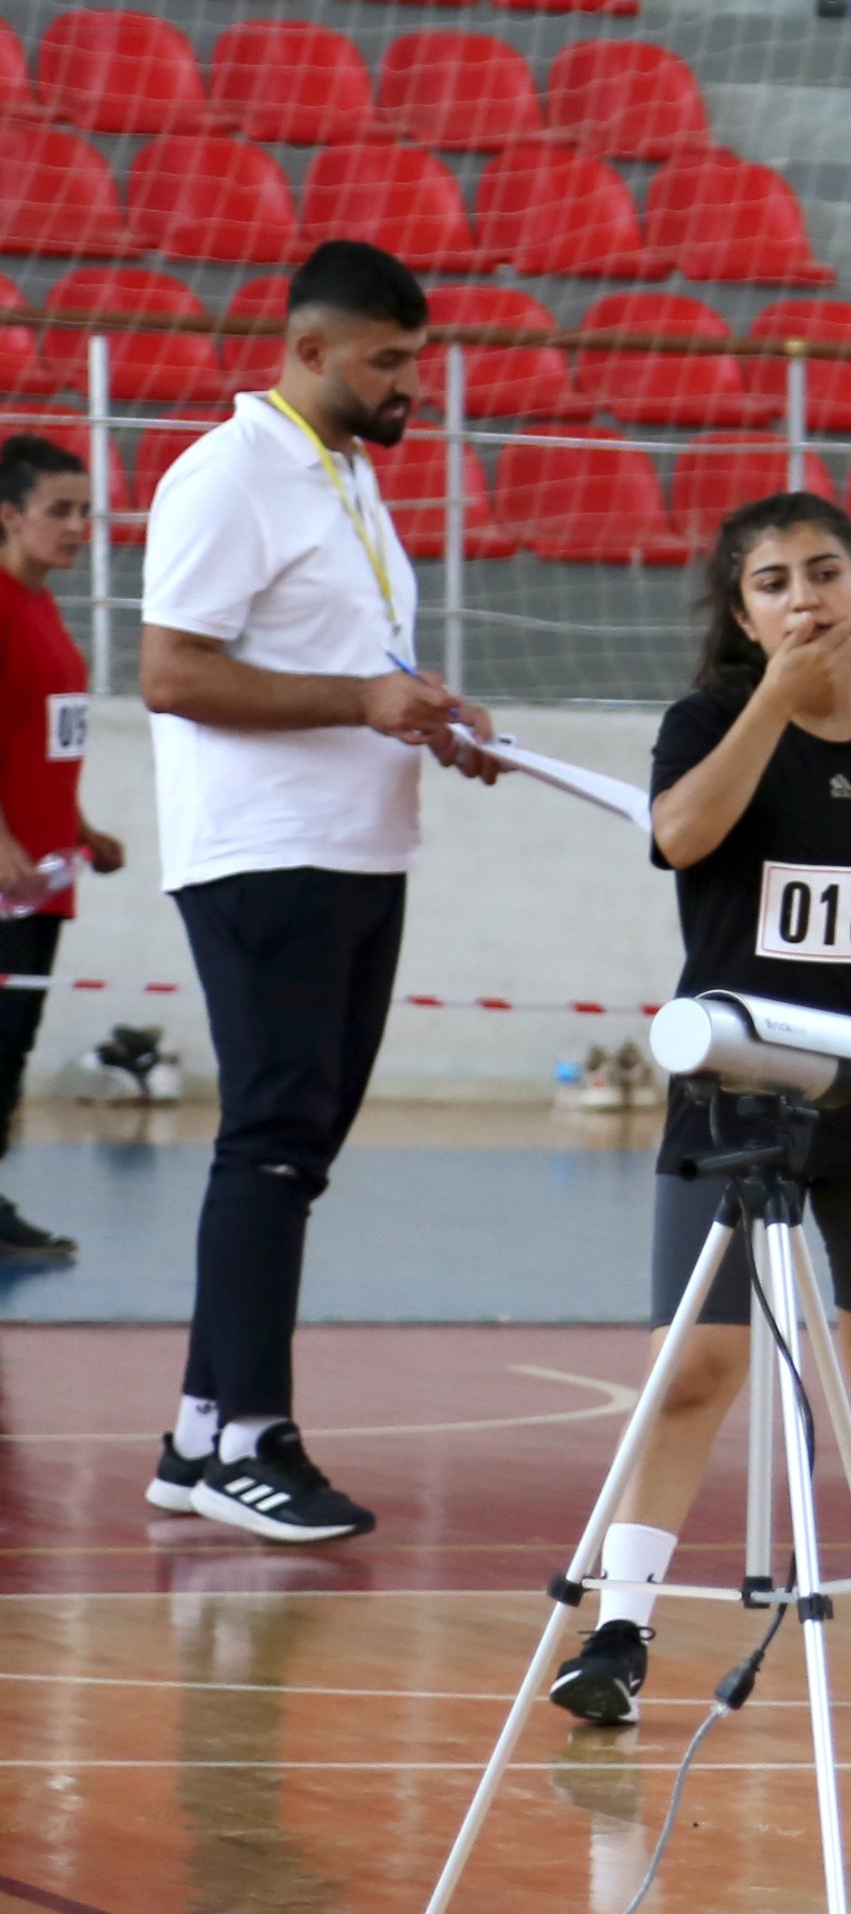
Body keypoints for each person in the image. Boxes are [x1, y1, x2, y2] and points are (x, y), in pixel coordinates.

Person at [541, 493, 851, 1727]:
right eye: (773, 581)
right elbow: (678, 831)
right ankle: (620, 1626)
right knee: (694, 1364)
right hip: (737, 1088)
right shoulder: (709, 722)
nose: (805, 597)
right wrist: (771, 698)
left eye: (825, 573)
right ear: (741, 608)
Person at [137, 239, 502, 1546]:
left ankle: (194, 1430)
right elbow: (171, 674)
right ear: (308, 351)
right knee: (275, 1139)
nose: (413, 384)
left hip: (356, 844)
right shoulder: (229, 475)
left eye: (419, 359)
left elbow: (349, 663)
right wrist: (361, 699)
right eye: (388, 361)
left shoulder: (341, 474)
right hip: (265, 851)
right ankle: (254, 1439)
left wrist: (430, 715)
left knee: (301, 1148)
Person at [0, 434, 116, 1264]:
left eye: (86, 511)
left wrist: (79, 826)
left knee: (11, 1045)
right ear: (9, 516)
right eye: (59, 512)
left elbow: (37, 741)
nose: (78, 526)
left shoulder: (40, 603)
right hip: (6, 874)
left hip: (44, 875)